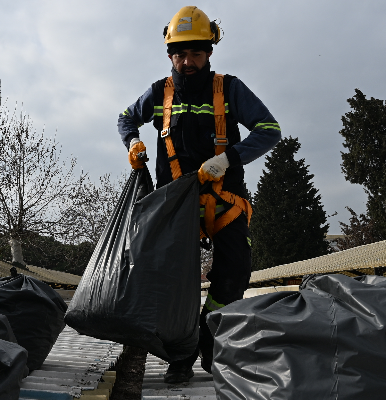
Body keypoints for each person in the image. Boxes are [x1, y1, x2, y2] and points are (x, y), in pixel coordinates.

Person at [116, 5, 282, 383]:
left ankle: (211, 341)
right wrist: (134, 140)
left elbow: (269, 129)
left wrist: (229, 159)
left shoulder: (230, 88)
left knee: (234, 273)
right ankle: (181, 356)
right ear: (169, 53)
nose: (185, 61)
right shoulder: (160, 92)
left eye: (194, 52)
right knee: (176, 282)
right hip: (176, 202)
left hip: (224, 198)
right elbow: (126, 117)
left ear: (209, 51)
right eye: (178, 53)